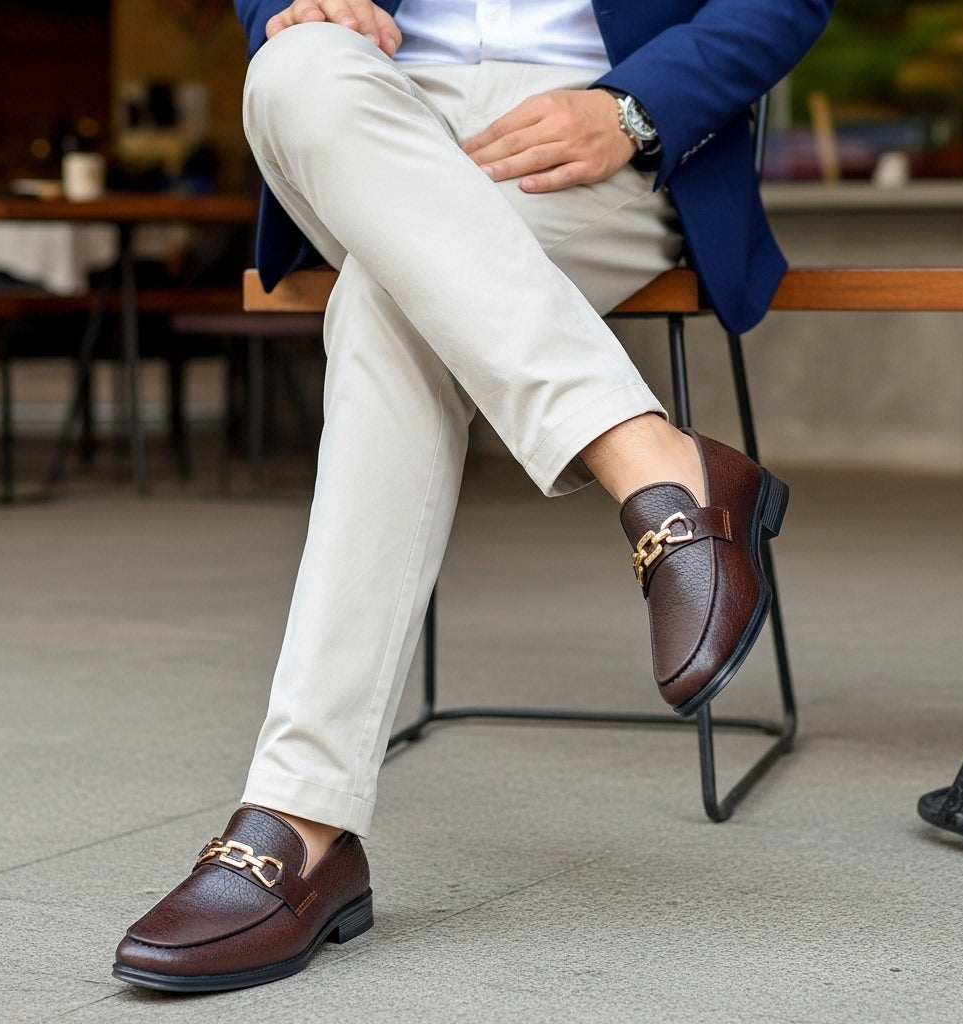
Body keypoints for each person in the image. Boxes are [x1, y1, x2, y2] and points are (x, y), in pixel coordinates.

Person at [113, 0, 833, 993]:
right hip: (370, 101)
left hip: (592, 132)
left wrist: (633, 109)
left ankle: (301, 819)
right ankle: (644, 455)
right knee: (290, 68)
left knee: (384, 307)